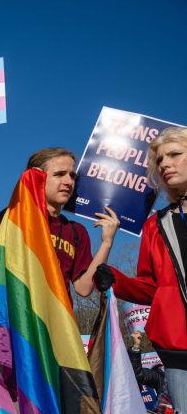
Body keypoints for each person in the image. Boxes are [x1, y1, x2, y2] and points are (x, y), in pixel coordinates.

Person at [94, 126, 187, 412]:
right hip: (179, 346)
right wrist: (116, 280)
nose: (165, 164)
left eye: (175, 155)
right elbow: (151, 287)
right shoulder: (155, 225)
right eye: (159, 160)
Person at [0, 148, 120, 301]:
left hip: (60, 320)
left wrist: (107, 242)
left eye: (72, 176)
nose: (69, 182)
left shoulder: (77, 231)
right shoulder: (13, 215)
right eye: (59, 174)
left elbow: (83, 289)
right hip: (19, 316)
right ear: (37, 178)